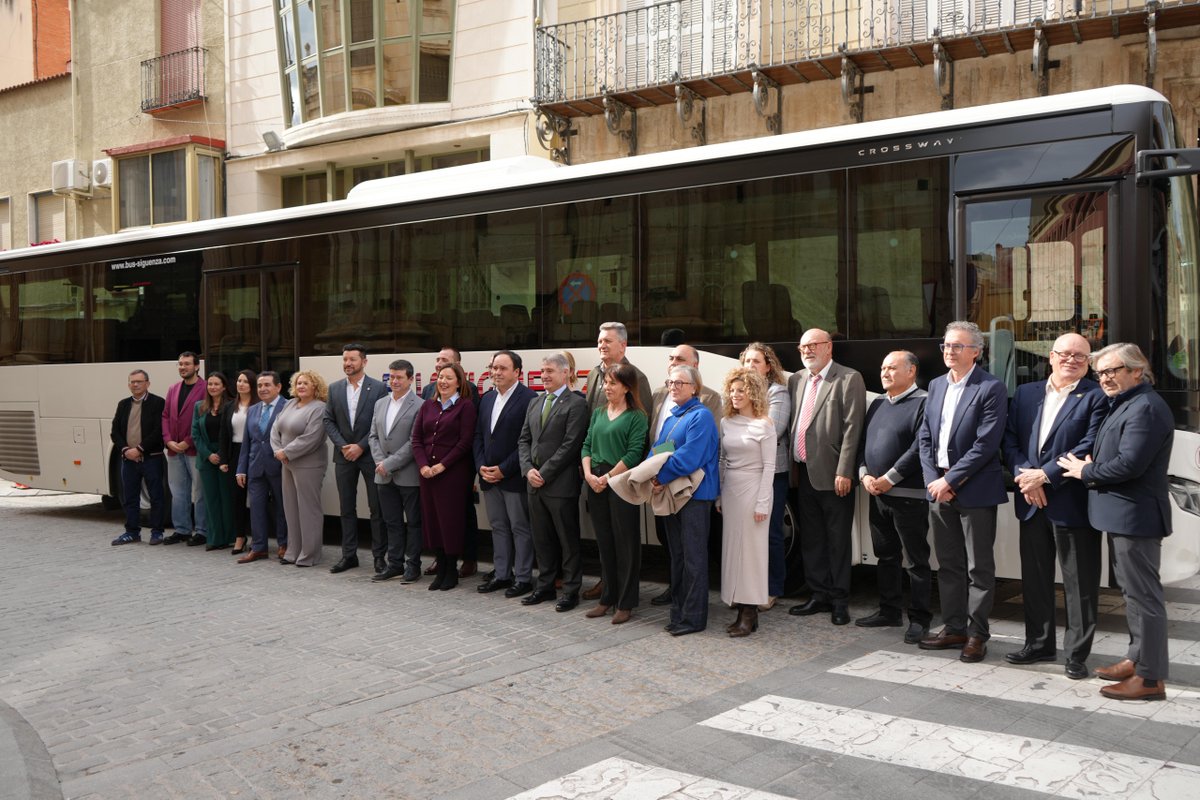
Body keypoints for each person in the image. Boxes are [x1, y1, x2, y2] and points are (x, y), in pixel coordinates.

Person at [1059, 343, 1174, 701]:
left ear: (1137, 371)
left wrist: (1086, 470)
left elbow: (1130, 465)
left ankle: (1150, 679)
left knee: (1144, 598)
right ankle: (1137, 658)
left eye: (1113, 370)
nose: (1105, 378)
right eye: (1101, 373)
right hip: (1123, 515)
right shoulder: (1125, 403)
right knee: (1132, 595)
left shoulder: (1146, 408)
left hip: (1135, 517)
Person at [1002, 333, 1106, 679]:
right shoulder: (1027, 393)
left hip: (1070, 502)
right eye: (1065, 354)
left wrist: (1044, 477)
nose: (1071, 360)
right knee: (1034, 578)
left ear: (1088, 363)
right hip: (1031, 501)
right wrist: (1025, 477)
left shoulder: (1095, 396)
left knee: (1080, 585)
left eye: (1080, 356)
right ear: (1051, 356)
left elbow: (1090, 442)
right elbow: (1010, 440)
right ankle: (1039, 644)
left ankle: (1076, 655)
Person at [917, 321, 1008, 663]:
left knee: (978, 568)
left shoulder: (990, 388)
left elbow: (986, 444)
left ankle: (977, 635)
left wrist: (950, 480)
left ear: (976, 351)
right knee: (949, 565)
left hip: (974, 491)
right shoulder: (937, 385)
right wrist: (932, 480)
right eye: (946, 345)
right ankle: (954, 627)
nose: (949, 351)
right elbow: (925, 436)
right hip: (938, 489)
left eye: (957, 346)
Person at [787, 328, 866, 626]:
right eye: (803, 346)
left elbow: (852, 428)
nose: (807, 351)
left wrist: (845, 470)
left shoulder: (848, 378)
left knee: (837, 540)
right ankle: (818, 594)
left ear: (829, 348)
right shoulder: (797, 379)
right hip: (804, 473)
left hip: (835, 476)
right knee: (812, 539)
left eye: (813, 345)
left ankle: (839, 600)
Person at [856, 351, 932, 644]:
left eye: (892, 368)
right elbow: (864, 443)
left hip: (908, 496)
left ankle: (920, 619)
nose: (885, 373)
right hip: (876, 494)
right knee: (885, 555)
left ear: (911, 371)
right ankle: (889, 610)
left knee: (916, 560)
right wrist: (864, 474)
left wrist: (889, 479)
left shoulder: (924, 402)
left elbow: (919, 448)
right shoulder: (877, 403)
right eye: (883, 367)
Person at [581, 322, 653, 601]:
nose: (602, 346)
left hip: (621, 475)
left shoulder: (636, 378)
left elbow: (640, 432)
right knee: (604, 536)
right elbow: (590, 422)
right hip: (595, 471)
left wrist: (615, 473)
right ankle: (607, 585)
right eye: (599, 341)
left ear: (623, 346)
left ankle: (624, 596)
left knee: (624, 538)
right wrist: (588, 469)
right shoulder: (593, 377)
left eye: (608, 341)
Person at [646, 344, 722, 607]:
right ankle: (679, 610)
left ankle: (693, 615)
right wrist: (649, 474)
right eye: (671, 382)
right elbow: (658, 450)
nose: (673, 386)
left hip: (694, 494)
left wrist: (658, 477)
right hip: (670, 493)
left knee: (693, 557)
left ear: (694, 387)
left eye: (680, 382)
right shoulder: (671, 417)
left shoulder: (701, 415)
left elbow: (690, 456)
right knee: (677, 554)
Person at [518, 353, 589, 611]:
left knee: (567, 541)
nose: (544, 375)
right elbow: (524, 440)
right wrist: (528, 470)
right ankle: (545, 587)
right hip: (533, 484)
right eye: (542, 371)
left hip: (560, 485)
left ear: (565, 373)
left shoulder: (576, 404)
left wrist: (544, 473)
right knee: (542, 539)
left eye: (549, 371)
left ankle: (571, 590)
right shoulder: (535, 403)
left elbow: (571, 446)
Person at [474, 350, 537, 597]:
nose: (496, 373)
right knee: (498, 526)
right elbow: (478, 435)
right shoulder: (487, 398)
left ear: (517, 372)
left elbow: (527, 442)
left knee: (520, 528)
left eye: (502, 368)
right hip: (488, 477)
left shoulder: (529, 398)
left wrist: (503, 469)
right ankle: (502, 574)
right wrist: (480, 465)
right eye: (493, 368)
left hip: (512, 477)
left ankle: (522, 578)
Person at [718, 367, 775, 638]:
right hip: (731, 490)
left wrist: (763, 503)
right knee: (732, 551)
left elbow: (769, 467)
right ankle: (739, 605)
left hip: (755, 489)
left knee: (751, 554)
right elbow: (721, 460)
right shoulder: (726, 422)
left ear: (753, 392)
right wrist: (719, 493)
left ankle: (749, 613)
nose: (735, 395)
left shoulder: (765, 424)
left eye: (741, 390)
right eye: (732, 390)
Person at [413, 362, 478, 591]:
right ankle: (440, 569)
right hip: (427, 475)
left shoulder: (465, 407)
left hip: (452, 475)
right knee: (432, 522)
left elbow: (464, 442)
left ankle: (451, 571)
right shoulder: (427, 406)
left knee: (450, 523)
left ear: (459, 382)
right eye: (441, 377)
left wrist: (442, 465)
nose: (443, 381)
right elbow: (417, 439)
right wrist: (423, 466)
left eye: (449, 378)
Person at [324, 344, 387, 575]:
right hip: (343, 456)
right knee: (346, 508)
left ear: (364, 362)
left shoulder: (379, 388)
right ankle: (348, 555)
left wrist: (360, 446)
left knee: (376, 508)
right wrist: (343, 446)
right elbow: (328, 420)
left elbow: (378, 421)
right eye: (345, 360)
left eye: (352, 359)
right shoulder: (334, 389)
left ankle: (379, 557)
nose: (347, 363)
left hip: (370, 455)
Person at [740, 342, 791, 611]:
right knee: (746, 533)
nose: (750, 366)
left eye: (756, 362)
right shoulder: (737, 393)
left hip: (770, 473)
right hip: (742, 473)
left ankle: (772, 589)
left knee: (770, 532)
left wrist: (744, 429)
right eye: (747, 361)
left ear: (768, 367)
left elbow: (773, 429)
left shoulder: (777, 392)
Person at [368, 359, 424, 583]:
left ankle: (413, 566)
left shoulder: (420, 405)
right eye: (391, 377)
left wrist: (389, 464)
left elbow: (414, 442)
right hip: (382, 475)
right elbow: (372, 436)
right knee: (391, 522)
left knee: (413, 522)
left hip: (408, 475)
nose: (395, 381)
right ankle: (395, 564)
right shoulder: (380, 403)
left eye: (399, 377)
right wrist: (380, 462)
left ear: (411, 379)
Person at [272, 370, 330, 568]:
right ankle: (292, 551)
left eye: (306, 383)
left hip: (309, 463)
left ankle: (309, 555)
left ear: (315, 386)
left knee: (308, 509)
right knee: (291, 508)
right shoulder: (290, 403)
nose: (301, 386)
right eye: (298, 383)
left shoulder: (320, 408)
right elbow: (275, 428)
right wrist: (278, 450)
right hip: (286, 462)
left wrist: (286, 452)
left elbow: (313, 437)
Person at [235, 372, 287, 564]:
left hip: (280, 466)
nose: (263, 389)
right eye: (259, 385)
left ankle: (285, 544)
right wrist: (241, 469)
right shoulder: (254, 409)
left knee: (283, 507)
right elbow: (247, 443)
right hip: (255, 467)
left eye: (267, 385)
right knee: (256, 508)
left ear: (278, 387)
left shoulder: (288, 406)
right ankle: (259, 548)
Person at [110, 370, 167, 546]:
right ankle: (132, 532)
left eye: (139, 382)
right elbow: (115, 431)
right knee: (130, 497)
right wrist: (126, 449)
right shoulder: (123, 404)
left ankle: (157, 532)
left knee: (157, 496)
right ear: (128, 385)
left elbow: (159, 431)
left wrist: (140, 449)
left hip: (151, 458)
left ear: (147, 384)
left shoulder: (158, 403)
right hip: (129, 460)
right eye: (132, 382)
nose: (135, 385)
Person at [161, 352, 207, 546]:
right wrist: (168, 440)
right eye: (180, 364)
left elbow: (203, 419)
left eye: (187, 364)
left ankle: (203, 531)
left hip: (194, 449)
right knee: (178, 491)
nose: (182, 367)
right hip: (174, 449)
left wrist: (188, 441)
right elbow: (165, 416)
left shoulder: (205, 388)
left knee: (200, 492)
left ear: (197, 367)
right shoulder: (173, 389)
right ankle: (181, 530)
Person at [191, 372, 236, 551]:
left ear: (224, 387)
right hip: (206, 458)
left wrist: (221, 454)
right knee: (211, 500)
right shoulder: (199, 407)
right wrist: (208, 454)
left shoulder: (231, 406)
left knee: (227, 498)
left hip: (225, 457)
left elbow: (233, 433)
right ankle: (215, 538)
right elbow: (195, 433)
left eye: (217, 384)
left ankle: (230, 537)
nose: (213, 387)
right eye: (210, 384)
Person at [222, 369, 257, 555]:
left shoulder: (258, 405)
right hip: (235, 453)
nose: (240, 384)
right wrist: (224, 459)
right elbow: (224, 434)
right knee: (237, 498)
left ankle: (258, 538)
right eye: (238, 381)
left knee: (257, 497)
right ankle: (240, 536)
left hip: (254, 452)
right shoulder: (229, 406)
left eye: (245, 381)